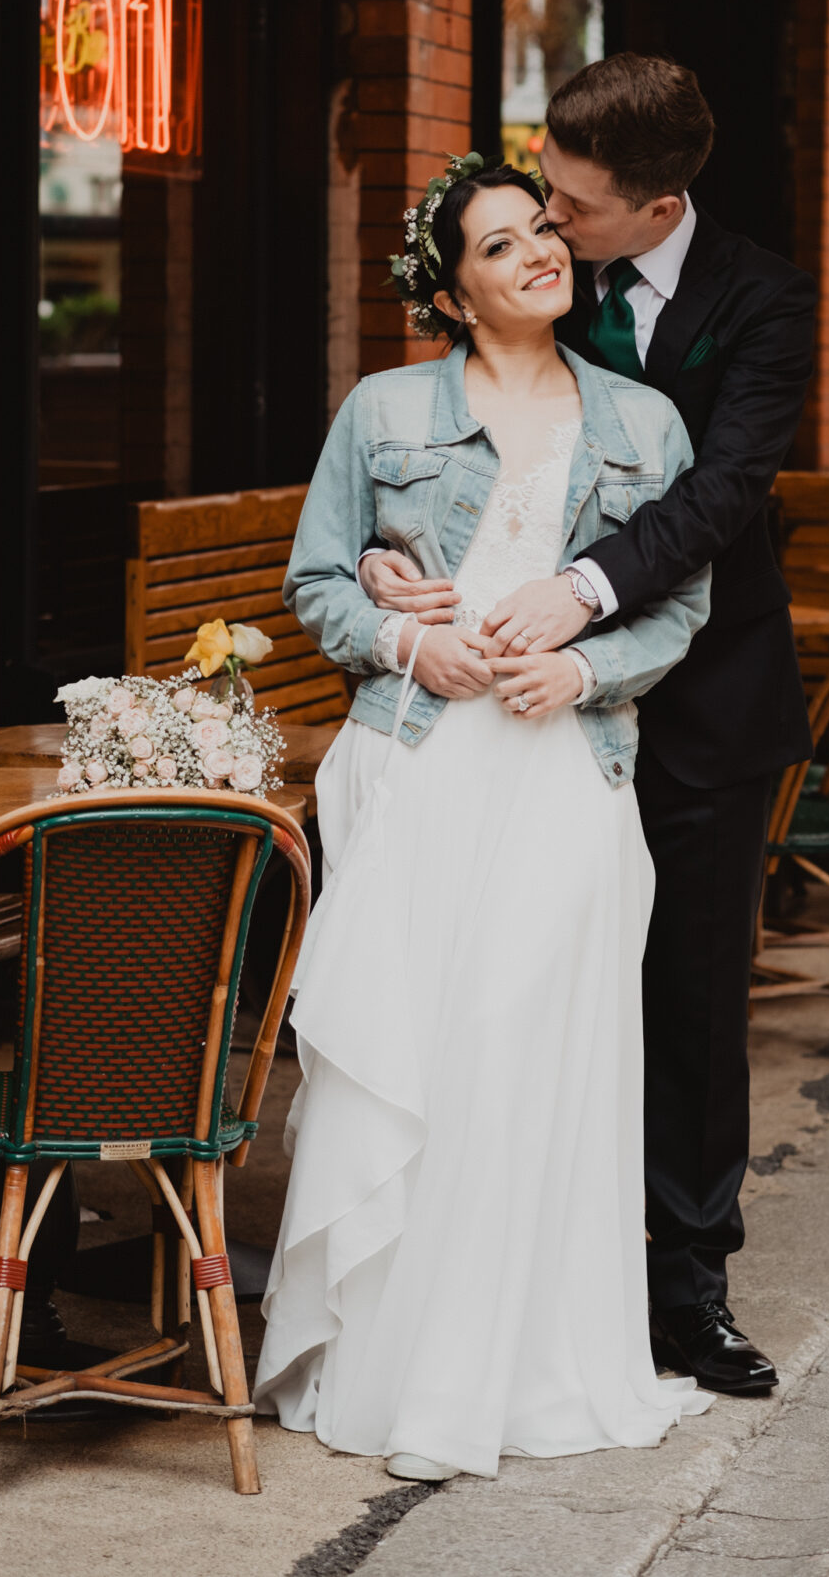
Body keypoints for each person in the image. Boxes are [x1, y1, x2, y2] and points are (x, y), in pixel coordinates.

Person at [360, 56, 816, 1396]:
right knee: (515, 985)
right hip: (518, 715)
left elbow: (725, 491)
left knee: (686, 993)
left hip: (703, 704)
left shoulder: (764, 301)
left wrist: (585, 589)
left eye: (572, 205)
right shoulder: (535, 285)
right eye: (540, 195)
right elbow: (457, 444)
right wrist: (395, 553)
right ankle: (512, 1270)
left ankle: (687, 1290)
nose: (548, 224)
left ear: (660, 203)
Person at [254, 157, 714, 1481]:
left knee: (533, 1045)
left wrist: (582, 667)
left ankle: (515, 1362)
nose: (539, 255)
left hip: (569, 767)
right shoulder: (384, 410)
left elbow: (677, 606)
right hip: (416, 767)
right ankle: (386, 1356)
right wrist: (408, 642)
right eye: (502, 245)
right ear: (450, 293)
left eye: (543, 232)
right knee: (420, 1049)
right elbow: (318, 582)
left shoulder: (645, 423)